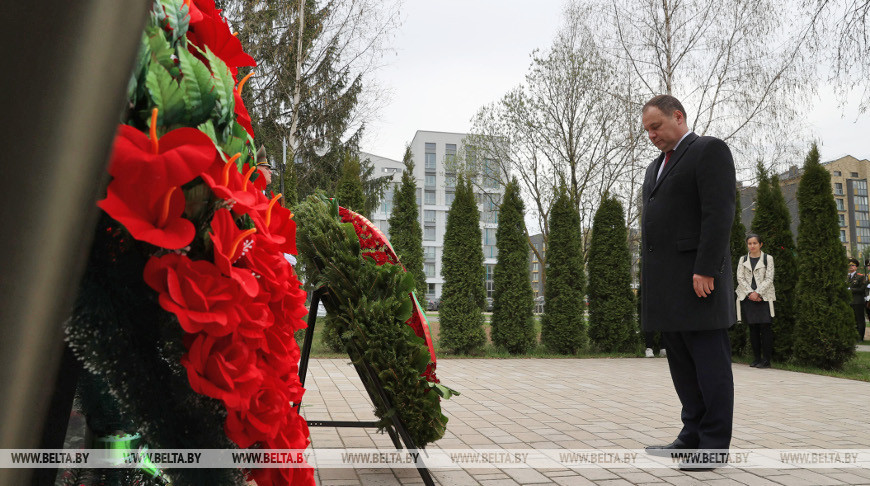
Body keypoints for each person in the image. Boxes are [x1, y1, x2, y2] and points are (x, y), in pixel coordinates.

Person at [639, 95, 736, 470]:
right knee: (681, 365)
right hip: (668, 287)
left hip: (700, 282)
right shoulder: (654, 167)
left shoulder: (708, 151)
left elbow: (719, 212)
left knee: (710, 366)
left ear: (677, 116)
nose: (651, 135)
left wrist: (707, 268)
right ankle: (690, 436)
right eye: (647, 130)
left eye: (656, 126)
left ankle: (713, 445)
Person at [735, 234, 775, 368]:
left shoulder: (767, 258)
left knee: (765, 327)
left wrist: (758, 292)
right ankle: (756, 358)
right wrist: (750, 293)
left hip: (764, 297)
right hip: (748, 297)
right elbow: (740, 278)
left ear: (760, 244)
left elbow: (769, 278)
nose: (752, 246)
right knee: (753, 328)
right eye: (749, 243)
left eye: (755, 243)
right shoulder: (743, 259)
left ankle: (766, 360)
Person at [847, 258, 866, 341]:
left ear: (856, 267)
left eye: (853, 265)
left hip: (858, 301)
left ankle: (860, 337)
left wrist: (850, 290)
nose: (851, 266)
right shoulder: (847, 277)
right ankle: (853, 336)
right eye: (849, 265)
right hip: (849, 301)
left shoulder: (861, 277)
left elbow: (862, 289)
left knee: (859, 320)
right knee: (852, 320)